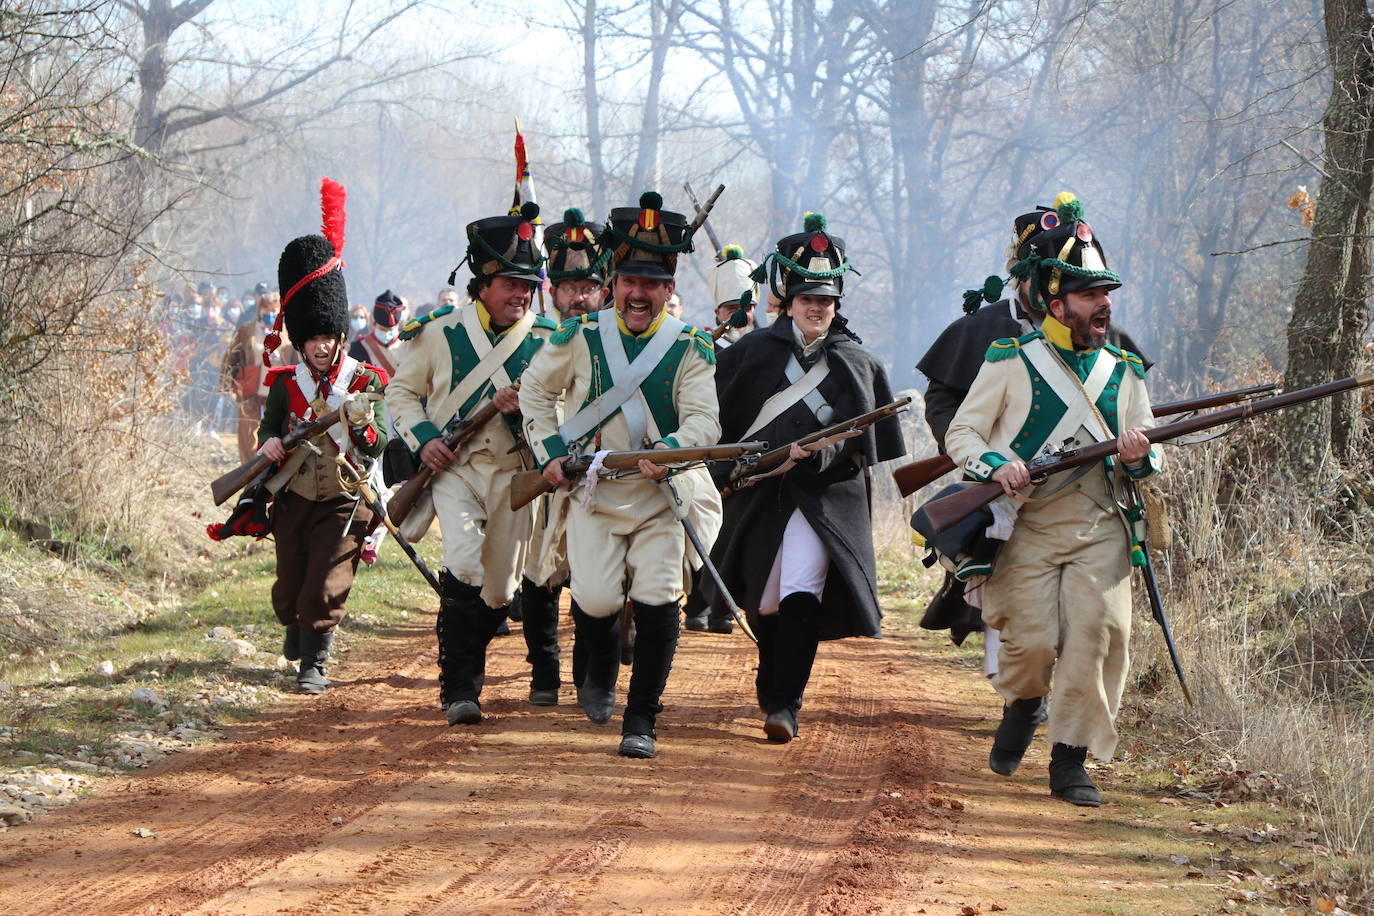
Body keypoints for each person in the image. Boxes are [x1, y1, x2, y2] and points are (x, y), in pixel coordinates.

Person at [942, 196, 1161, 807]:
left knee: (1098, 635)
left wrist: (1138, 455)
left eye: (1105, 292)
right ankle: (1023, 703)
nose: (1104, 304)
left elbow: (1151, 454)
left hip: (1102, 525)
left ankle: (1070, 761)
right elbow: (963, 434)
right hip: (1028, 523)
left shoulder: (1124, 370)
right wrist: (995, 464)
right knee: (1033, 642)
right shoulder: (1011, 361)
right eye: (1090, 293)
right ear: (1055, 299)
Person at [521, 190, 719, 759]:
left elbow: (705, 418)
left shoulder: (689, 347)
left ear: (668, 289)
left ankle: (643, 718)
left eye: (652, 284)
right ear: (612, 282)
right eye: (630, 281)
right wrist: (552, 451)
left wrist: (676, 448)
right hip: (593, 493)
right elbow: (536, 391)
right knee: (598, 599)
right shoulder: (579, 337)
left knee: (659, 597)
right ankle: (600, 672)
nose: (639, 294)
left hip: (660, 495)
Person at [708, 213, 906, 743]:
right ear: (787, 301)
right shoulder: (749, 355)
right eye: (808, 299)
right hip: (757, 495)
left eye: (827, 300)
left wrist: (817, 455)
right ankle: (772, 680)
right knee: (766, 599)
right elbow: (719, 428)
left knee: (803, 590)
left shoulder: (857, 362)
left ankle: (785, 701)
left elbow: (861, 446)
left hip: (824, 496)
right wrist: (766, 459)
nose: (818, 308)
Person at [386, 203, 558, 725]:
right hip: (457, 470)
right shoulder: (439, 333)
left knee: (501, 590)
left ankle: (461, 660)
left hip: (514, 477)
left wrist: (524, 409)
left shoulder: (549, 341)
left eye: (527, 284)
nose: (521, 294)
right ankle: (460, 685)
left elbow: (563, 411)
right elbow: (401, 393)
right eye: (510, 283)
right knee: (461, 562)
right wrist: (424, 442)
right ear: (483, 285)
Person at [255, 184, 389, 695]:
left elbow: (375, 445)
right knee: (289, 587)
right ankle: (295, 625)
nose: (320, 345)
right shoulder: (285, 383)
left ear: (337, 335)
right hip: (292, 495)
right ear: (301, 338)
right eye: (312, 338)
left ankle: (315, 660)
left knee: (326, 586)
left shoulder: (363, 380)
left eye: (327, 337)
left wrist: (358, 423)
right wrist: (268, 445)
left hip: (343, 496)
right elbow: (270, 427)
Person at [513, 208, 612, 707]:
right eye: (570, 286)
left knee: (595, 577)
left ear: (605, 289)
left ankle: (589, 671)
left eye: (589, 286)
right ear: (551, 292)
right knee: (539, 573)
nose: (579, 297)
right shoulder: (530, 341)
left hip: (597, 474)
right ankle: (545, 669)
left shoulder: (616, 344)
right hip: (536, 468)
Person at [683, 244, 759, 633]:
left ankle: (724, 609)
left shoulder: (768, 350)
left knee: (738, 535)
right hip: (711, 452)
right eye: (730, 309)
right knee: (705, 529)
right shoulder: (701, 348)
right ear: (717, 313)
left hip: (752, 452)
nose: (738, 315)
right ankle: (696, 605)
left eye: (742, 308)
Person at [350, 289, 413, 486]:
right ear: (374, 323)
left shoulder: (410, 345)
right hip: (374, 411)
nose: (387, 333)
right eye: (383, 329)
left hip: (403, 410)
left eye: (390, 330)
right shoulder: (360, 347)